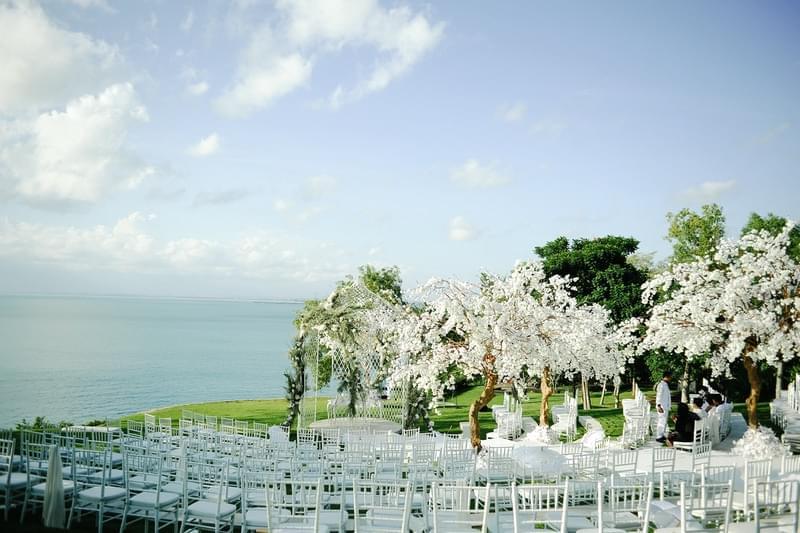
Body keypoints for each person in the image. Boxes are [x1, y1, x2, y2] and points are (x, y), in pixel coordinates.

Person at [655, 370, 673, 443]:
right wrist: (659, 406)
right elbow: (658, 396)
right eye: (670, 377)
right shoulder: (661, 385)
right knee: (661, 421)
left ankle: (661, 435)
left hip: (665, 406)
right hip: (662, 406)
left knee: (664, 421)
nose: (671, 378)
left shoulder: (665, 384)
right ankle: (659, 436)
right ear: (667, 377)